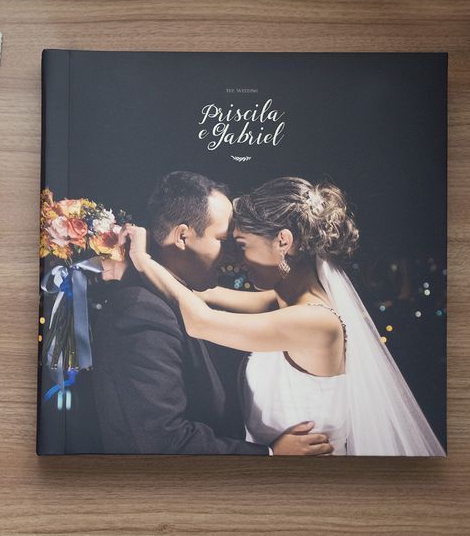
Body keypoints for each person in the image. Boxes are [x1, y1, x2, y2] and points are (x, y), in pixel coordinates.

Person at [122, 175, 446, 456]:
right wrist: (130, 266)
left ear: (282, 241)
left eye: (242, 244)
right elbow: (198, 294)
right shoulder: (281, 304)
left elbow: (200, 320)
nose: (235, 259)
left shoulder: (315, 322)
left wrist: (143, 258)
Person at [91, 171, 333, 455]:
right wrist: (269, 456)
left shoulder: (303, 311)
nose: (234, 255)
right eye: (225, 240)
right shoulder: (140, 311)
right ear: (182, 236)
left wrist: (144, 262)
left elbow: (201, 313)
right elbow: (162, 440)